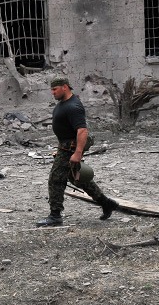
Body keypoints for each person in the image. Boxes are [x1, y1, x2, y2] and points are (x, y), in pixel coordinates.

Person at [36, 76, 120, 227]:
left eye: (55, 89)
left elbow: (82, 131)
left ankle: (55, 215)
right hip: (64, 147)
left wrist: (77, 153)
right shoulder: (64, 103)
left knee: (56, 179)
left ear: (65, 87)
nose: (52, 92)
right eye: (52, 89)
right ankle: (106, 203)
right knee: (78, 178)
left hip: (70, 149)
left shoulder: (73, 106)